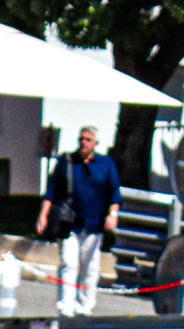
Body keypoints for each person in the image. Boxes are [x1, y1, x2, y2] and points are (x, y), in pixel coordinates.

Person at [37, 125, 121, 317]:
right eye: (81, 139)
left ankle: (84, 307)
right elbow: (51, 191)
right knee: (68, 263)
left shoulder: (106, 164)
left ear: (96, 143)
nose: (84, 142)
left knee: (90, 269)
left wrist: (112, 215)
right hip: (69, 224)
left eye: (88, 140)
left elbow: (114, 195)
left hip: (94, 225)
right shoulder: (67, 162)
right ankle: (65, 307)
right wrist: (43, 215)